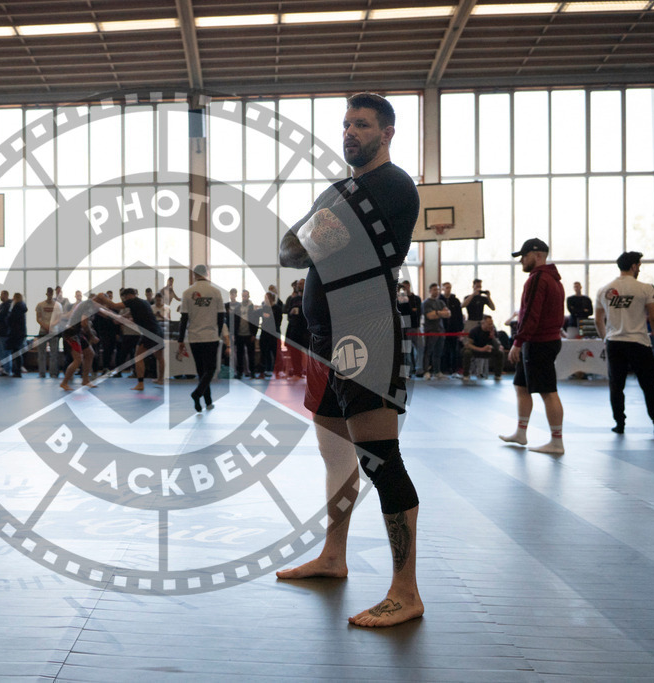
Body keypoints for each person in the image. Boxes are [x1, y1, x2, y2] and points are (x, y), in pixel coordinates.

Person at [275, 93, 422, 628]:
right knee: (337, 456)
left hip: (366, 331)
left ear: (386, 133)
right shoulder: (340, 190)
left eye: (361, 124)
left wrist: (313, 233)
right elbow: (290, 249)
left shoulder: (392, 185)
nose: (349, 133)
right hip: (322, 335)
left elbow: (305, 244)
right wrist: (313, 234)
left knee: (380, 458)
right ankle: (333, 557)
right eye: (345, 125)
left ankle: (405, 591)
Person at [594, 252, 654, 436]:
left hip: (615, 343)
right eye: (639, 265)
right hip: (638, 342)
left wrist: (605, 338)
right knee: (649, 385)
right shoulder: (644, 288)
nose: (640, 268)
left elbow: (598, 320)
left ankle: (619, 424)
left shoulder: (604, 289)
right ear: (634, 266)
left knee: (616, 385)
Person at [499, 238, 566, 454]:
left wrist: (518, 342)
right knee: (521, 386)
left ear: (537, 255)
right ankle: (521, 432)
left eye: (524, 256)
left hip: (539, 342)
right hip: (541, 340)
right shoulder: (554, 279)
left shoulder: (539, 278)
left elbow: (530, 313)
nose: (521, 261)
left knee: (548, 391)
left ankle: (557, 441)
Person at [177, 265, 228, 411]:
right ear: (207, 274)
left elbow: (184, 318)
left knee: (201, 371)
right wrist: (217, 334)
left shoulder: (187, 292)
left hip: (194, 337)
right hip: (210, 336)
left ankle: (207, 401)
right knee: (210, 369)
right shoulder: (216, 292)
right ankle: (197, 394)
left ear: (194, 275)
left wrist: (180, 339)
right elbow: (221, 316)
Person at [94, 289, 165, 391]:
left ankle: (140, 384)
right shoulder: (143, 302)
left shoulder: (132, 301)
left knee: (138, 357)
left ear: (128, 296)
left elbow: (114, 305)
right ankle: (161, 379)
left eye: (124, 298)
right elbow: (129, 315)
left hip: (149, 333)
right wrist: (119, 318)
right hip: (158, 331)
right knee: (159, 357)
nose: (124, 300)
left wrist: (102, 298)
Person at [461, 315, 504, 380]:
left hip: (487, 350)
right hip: (476, 349)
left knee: (500, 353)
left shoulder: (493, 330)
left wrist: (493, 337)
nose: (491, 325)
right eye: (489, 324)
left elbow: (498, 346)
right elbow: (469, 344)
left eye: (491, 323)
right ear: (483, 323)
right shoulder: (475, 331)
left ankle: (498, 375)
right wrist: (481, 349)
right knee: (467, 352)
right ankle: (466, 374)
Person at [421, 283, 450, 379]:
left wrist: (436, 312)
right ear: (430, 291)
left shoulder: (441, 302)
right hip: (430, 331)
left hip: (441, 330)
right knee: (428, 352)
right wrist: (440, 313)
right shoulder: (426, 303)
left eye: (437, 289)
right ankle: (426, 371)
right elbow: (430, 316)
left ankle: (437, 371)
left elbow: (448, 314)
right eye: (434, 289)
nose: (436, 291)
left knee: (438, 352)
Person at [397, 281, 422, 377]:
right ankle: (405, 371)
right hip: (400, 327)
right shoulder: (396, 299)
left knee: (409, 350)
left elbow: (410, 313)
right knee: (404, 351)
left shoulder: (408, 299)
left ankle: (410, 371)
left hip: (408, 327)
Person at [35, 287, 62, 378]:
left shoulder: (57, 305)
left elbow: (59, 318)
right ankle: (42, 373)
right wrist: (45, 326)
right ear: (46, 294)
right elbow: (38, 318)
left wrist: (51, 326)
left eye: (51, 293)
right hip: (43, 331)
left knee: (54, 354)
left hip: (53, 331)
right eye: (48, 293)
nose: (50, 295)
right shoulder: (40, 305)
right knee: (41, 354)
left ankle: (53, 373)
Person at [283, 279, 307, 378]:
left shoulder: (308, 297)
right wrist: (291, 312)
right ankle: (297, 372)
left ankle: (310, 372)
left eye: (301, 284)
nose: (298, 286)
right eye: (298, 284)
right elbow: (287, 312)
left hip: (306, 330)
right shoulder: (293, 299)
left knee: (308, 353)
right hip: (294, 330)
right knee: (295, 353)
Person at [439, 282, 464, 376]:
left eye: (449, 287)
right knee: (443, 350)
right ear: (442, 289)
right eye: (446, 288)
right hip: (442, 329)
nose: (448, 289)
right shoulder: (439, 300)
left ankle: (454, 370)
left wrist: (460, 329)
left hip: (453, 329)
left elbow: (459, 316)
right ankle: (443, 370)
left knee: (454, 350)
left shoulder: (456, 301)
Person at [232, 289, 257, 380]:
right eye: (243, 296)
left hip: (249, 334)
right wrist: (234, 334)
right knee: (239, 354)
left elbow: (255, 321)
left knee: (251, 354)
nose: (244, 297)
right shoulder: (238, 307)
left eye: (246, 295)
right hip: (239, 334)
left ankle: (252, 372)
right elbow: (234, 321)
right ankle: (239, 372)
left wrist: (254, 334)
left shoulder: (252, 307)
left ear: (248, 296)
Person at [6, 292, 28, 377]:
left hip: (15, 333)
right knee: (18, 352)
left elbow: (11, 320)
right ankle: (17, 369)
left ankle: (17, 371)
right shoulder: (22, 307)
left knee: (15, 352)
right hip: (21, 333)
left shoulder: (16, 308)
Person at [0, 289, 12, 377]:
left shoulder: (8, 305)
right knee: (1, 352)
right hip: (0, 332)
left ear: (6, 295)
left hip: (6, 332)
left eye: (2, 295)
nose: (1, 297)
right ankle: (3, 368)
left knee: (6, 352)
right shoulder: (1, 305)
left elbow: (2, 315)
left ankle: (7, 369)